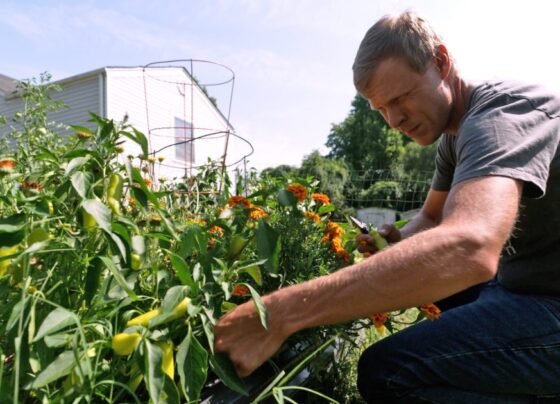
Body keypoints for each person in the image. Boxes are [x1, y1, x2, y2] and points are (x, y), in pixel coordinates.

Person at [214, 11, 560, 403]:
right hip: (524, 288)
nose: (394, 121)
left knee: (389, 371)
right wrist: (393, 242)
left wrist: (282, 313)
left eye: (401, 98)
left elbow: (471, 247)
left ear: (441, 62)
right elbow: (431, 217)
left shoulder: (503, 114)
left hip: (549, 304)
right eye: (381, 109)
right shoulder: (454, 136)